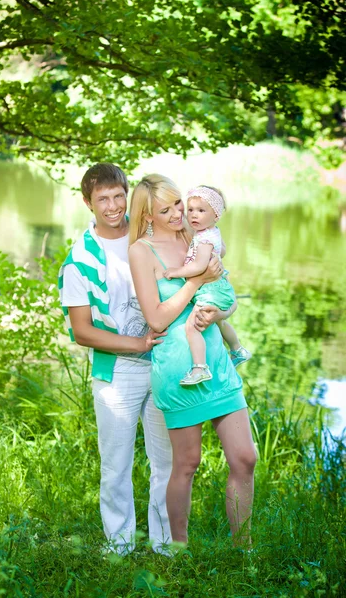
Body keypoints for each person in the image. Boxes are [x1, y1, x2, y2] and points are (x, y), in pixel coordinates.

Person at [58, 163, 224, 555]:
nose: (114, 206)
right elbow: (81, 330)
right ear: (88, 203)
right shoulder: (79, 259)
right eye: (103, 200)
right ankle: (118, 545)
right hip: (117, 371)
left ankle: (166, 544)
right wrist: (138, 344)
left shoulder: (157, 229)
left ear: (128, 194)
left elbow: (206, 259)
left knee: (165, 459)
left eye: (119, 196)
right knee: (115, 463)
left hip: (167, 363)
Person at [128, 174, 257, 547]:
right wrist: (194, 283)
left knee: (245, 458)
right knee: (186, 464)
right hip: (178, 369)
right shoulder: (141, 251)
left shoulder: (197, 236)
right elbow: (156, 318)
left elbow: (228, 299)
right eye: (164, 210)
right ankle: (179, 548)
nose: (176, 214)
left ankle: (242, 549)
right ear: (148, 215)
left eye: (178, 205)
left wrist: (217, 314)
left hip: (216, 360)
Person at [162, 185, 252, 385]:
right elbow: (223, 251)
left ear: (216, 215)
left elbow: (199, 265)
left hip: (210, 291)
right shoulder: (211, 231)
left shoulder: (204, 238)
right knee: (220, 323)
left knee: (192, 327)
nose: (194, 215)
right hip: (219, 288)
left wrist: (176, 271)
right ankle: (237, 349)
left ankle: (200, 368)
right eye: (191, 210)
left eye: (201, 211)